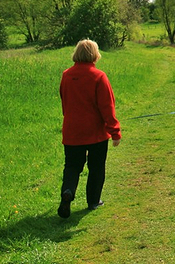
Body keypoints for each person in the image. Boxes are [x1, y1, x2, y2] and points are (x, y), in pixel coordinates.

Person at [57, 39, 122, 219]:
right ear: (95, 54)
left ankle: (68, 191)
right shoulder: (99, 76)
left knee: (71, 166)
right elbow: (107, 107)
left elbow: (65, 102)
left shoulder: (66, 75)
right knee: (96, 167)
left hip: (72, 131)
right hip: (96, 133)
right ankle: (93, 201)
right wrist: (115, 131)